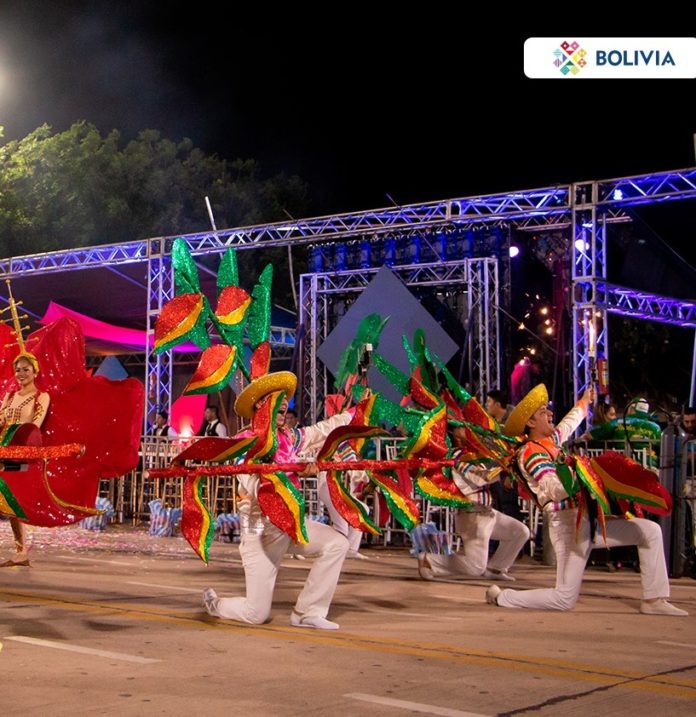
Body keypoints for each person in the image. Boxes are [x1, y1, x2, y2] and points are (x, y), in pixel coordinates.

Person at [485, 383, 688, 616]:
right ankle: (502, 596)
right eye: (543, 412)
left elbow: (568, 425)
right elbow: (552, 487)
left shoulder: (550, 444)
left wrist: (584, 402)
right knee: (564, 598)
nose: (550, 413)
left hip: (586, 519)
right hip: (568, 525)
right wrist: (583, 479)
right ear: (530, 423)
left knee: (649, 531)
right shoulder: (531, 452)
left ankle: (654, 599)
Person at [203, 376, 355, 630]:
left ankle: (307, 612)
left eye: (285, 399)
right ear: (262, 407)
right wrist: (291, 471)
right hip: (258, 529)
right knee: (256, 614)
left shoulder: (290, 438)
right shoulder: (245, 443)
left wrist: (354, 414)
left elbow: (322, 430)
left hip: (289, 522)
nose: (285, 403)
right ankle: (216, 604)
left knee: (337, 543)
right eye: (277, 399)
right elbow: (256, 486)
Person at [417, 425, 530, 581]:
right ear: (454, 434)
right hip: (472, 516)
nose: (469, 430)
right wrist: (505, 465)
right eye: (463, 428)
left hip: (488, 513)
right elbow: (481, 477)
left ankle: (496, 569)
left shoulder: (474, 454)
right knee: (475, 567)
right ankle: (429, 560)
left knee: (520, 532)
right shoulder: (456, 457)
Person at [0, 352, 51, 567]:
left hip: (22, 455)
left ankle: (21, 551)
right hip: (3, 450)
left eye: (25, 369)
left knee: (11, 501)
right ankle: (21, 552)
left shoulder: (42, 396)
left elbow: (35, 426)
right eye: (18, 369)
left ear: (35, 371)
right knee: (10, 504)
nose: (21, 373)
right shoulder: (10, 396)